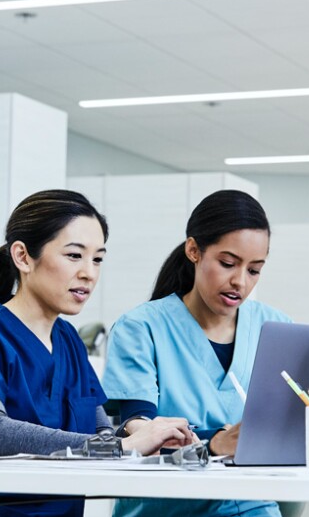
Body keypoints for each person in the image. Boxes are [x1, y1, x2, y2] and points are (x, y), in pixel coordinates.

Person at [0, 189, 194, 517]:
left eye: (98, 258)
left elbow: (97, 432)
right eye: (74, 255)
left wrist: (148, 439)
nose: (89, 272)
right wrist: (119, 447)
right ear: (23, 257)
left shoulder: (68, 340)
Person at [102, 189, 291, 517]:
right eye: (227, 263)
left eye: (254, 270)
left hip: (253, 507)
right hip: (165, 509)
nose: (240, 282)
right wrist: (216, 443)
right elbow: (141, 434)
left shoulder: (275, 327)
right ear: (194, 250)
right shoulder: (141, 328)